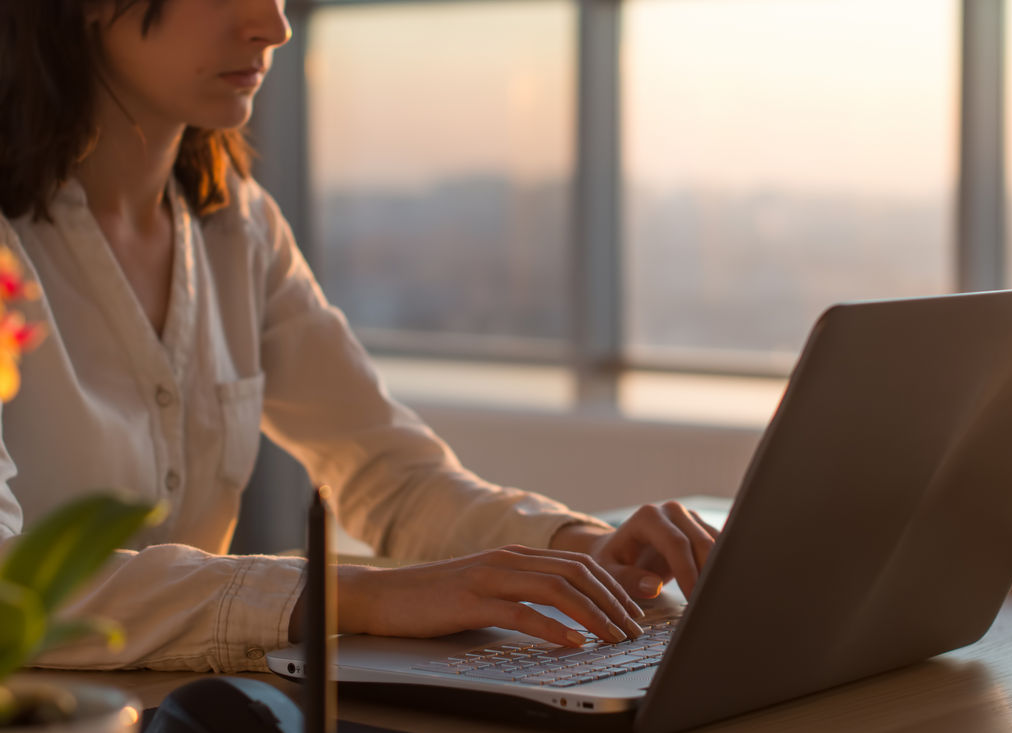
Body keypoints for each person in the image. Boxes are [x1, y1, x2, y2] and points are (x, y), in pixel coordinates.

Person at [0, 0, 717, 672]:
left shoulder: (237, 228)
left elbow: (389, 475)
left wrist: (580, 549)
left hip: (178, 721)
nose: (273, 26)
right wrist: (366, 597)